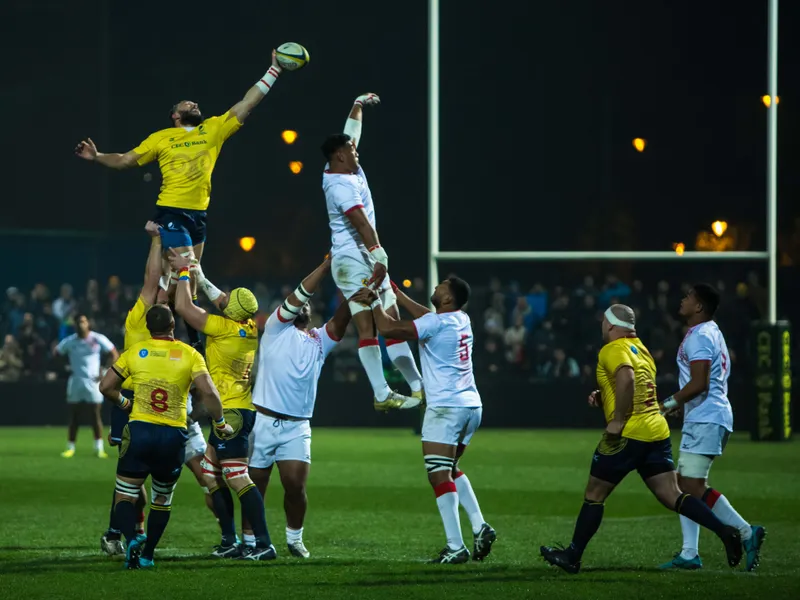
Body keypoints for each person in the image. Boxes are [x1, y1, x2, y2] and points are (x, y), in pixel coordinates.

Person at [74, 51, 288, 346]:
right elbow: (125, 159)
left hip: (199, 216)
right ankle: (198, 334)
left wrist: (273, 70)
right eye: (188, 104)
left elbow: (248, 103)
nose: (195, 104)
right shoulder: (161, 138)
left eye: (195, 103)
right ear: (176, 115)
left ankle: (180, 336)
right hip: (171, 212)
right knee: (190, 270)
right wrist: (97, 156)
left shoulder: (212, 128)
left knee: (183, 285)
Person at [539, 304, 743, 574]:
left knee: (594, 494)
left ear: (611, 325)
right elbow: (636, 383)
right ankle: (724, 530)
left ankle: (573, 556)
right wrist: (604, 396)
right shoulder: (642, 349)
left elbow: (627, 378)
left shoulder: (611, 349)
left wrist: (617, 418)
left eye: (603, 322)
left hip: (629, 434)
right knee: (673, 495)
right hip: (656, 431)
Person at [352, 277, 496, 564]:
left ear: (447, 299)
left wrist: (376, 302)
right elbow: (427, 317)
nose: (437, 287)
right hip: (471, 406)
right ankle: (480, 526)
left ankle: (455, 546)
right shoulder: (461, 319)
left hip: (445, 408)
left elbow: (389, 328)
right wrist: (398, 295)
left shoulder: (437, 324)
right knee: (452, 468)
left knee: (438, 475)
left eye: (442, 286)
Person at [101, 222, 217, 556]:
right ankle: (123, 533)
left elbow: (161, 284)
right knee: (132, 480)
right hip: (142, 404)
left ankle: (121, 532)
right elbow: (153, 280)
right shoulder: (141, 317)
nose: (164, 297)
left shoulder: (150, 321)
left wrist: (176, 265)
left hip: (140, 403)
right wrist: (158, 244)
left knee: (130, 475)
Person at [98, 304, 232, 569]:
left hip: (140, 431)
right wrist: (220, 422)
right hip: (173, 435)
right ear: (173, 326)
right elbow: (210, 394)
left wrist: (125, 404)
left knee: (125, 495)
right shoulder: (189, 354)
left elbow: (105, 386)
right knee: (162, 498)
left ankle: (133, 538)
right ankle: (147, 555)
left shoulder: (135, 352)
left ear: (149, 328)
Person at [168, 251, 275, 560]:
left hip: (232, 413)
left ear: (231, 312)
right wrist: (201, 274)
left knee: (238, 477)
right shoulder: (249, 327)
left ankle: (263, 543)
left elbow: (182, 306)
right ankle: (230, 540)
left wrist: (186, 273)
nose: (223, 301)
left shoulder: (222, 328)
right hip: (235, 408)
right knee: (211, 473)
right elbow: (222, 301)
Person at [244, 256, 351, 558]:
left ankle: (294, 538)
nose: (300, 304)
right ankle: (250, 542)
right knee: (255, 487)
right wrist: (323, 268)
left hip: (297, 425)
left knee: (294, 485)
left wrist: (356, 297)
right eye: (295, 303)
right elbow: (299, 294)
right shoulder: (275, 329)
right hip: (263, 420)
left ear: (312, 314)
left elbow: (341, 323)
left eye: (306, 305)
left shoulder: (319, 341)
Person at [321, 93, 422, 411]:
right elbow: (363, 225)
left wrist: (357, 105)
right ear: (339, 156)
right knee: (368, 324)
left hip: (363, 256)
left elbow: (351, 134)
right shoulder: (340, 187)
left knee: (390, 319)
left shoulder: (345, 169)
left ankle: (418, 387)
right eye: (351, 151)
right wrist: (380, 256)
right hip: (352, 259)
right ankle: (381, 393)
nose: (356, 152)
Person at [658, 284, 765, 571]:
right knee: (689, 485)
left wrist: (669, 403)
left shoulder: (701, 335)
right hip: (708, 415)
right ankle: (692, 552)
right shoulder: (709, 332)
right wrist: (683, 401)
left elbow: (700, 382)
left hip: (707, 417)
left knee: (687, 486)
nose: (682, 300)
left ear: (699, 307)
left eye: (688, 298)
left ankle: (741, 533)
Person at [55, 315, 118, 458]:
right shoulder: (70, 341)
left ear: (88, 323)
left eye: (83, 321)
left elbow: (113, 353)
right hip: (76, 381)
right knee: (74, 415)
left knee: (95, 414)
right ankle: (70, 447)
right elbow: (56, 353)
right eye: (78, 322)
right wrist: (64, 368)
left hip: (93, 382)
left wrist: (104, 372)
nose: (80, 324)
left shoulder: (97, 338)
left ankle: (99, 448)